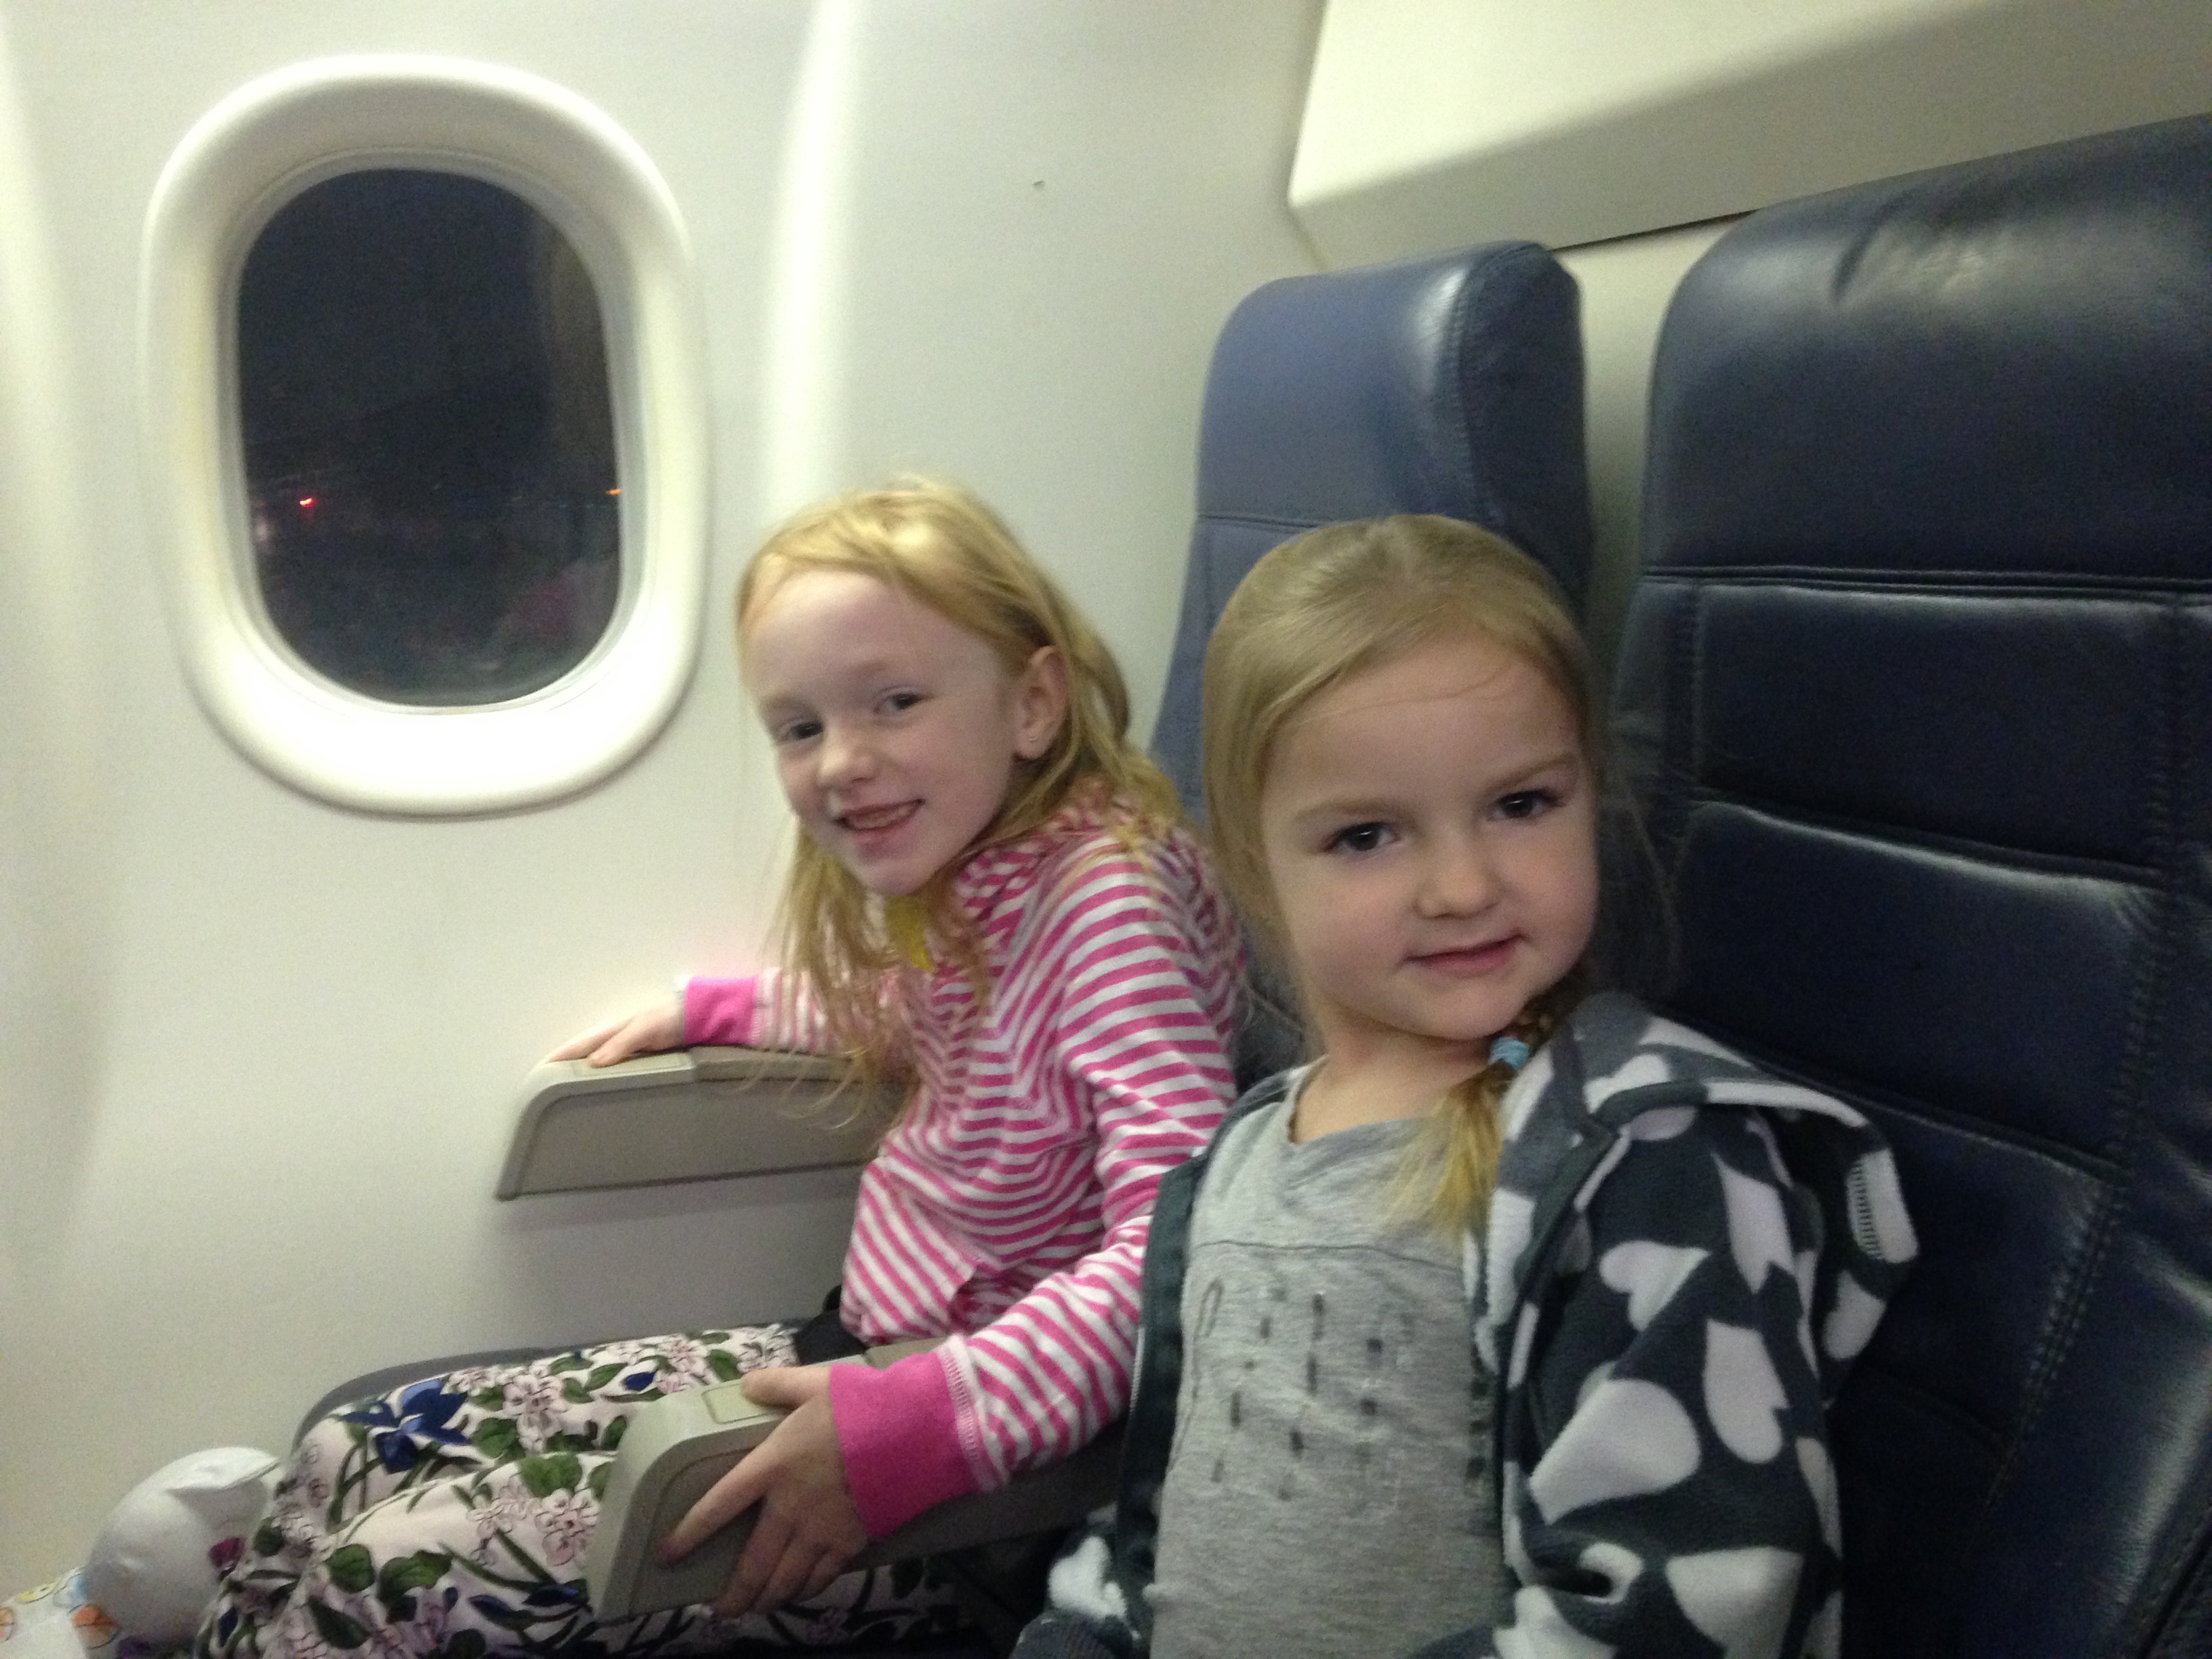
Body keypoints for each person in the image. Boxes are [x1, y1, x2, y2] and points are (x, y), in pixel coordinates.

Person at [197, 481, 1242, 1657]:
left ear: (1033, 703)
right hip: (857, 1370)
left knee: (391, 1576)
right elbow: (917, 1012)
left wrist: (920, 1429)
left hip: (968, 1489)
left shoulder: (1109, 904)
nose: (840, 762)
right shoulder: (991, 878)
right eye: (798, 728)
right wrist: (716, 1011)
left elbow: (1179, 1249)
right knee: (353, 1447)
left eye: (895, 702)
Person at [1016, 516, 1918, 1659]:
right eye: (1366, 836)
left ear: (1591, 793)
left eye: (1521, 805)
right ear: (1254, 861)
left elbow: (1681, 1601)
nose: (1461, 886)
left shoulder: (1645, 1155)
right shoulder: (1241, 1152)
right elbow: (1159, 1520)